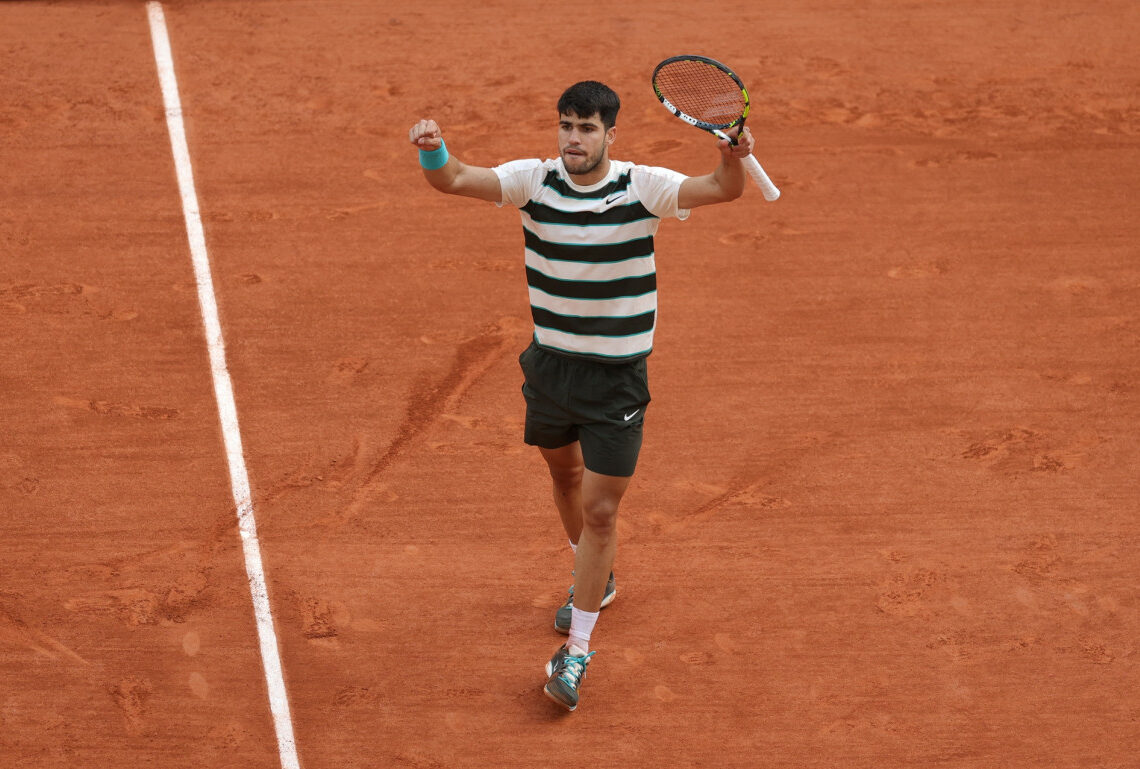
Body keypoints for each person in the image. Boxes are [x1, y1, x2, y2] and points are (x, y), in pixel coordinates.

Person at [408, 80, 755, 711]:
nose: (574, 138)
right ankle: (599, 577)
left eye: (587, 128)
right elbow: (456, 179)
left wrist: (730, 161)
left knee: (600, 511)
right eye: (567, 126)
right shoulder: (532, 182)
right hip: (551, 369)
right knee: (564, 476)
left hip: (616, 378)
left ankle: (577, 651)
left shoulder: (641, 187)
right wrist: (435, 149)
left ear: (610, 135)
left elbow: (720, 191)